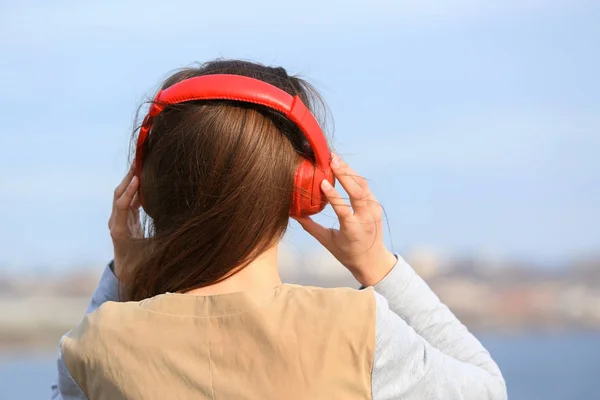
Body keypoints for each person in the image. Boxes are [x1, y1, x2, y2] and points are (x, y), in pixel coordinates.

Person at [50, 59, 507, 400]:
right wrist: (375, 264)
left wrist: (123, 277)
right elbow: (487, 390)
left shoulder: (96, 346)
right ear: (304, 189)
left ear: (146, 191)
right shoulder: (359, 331)